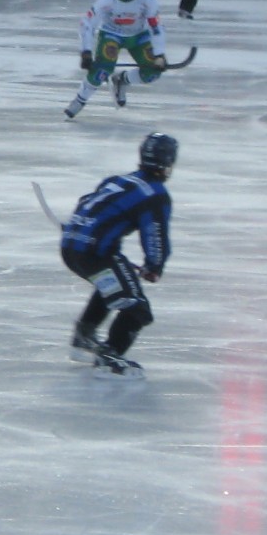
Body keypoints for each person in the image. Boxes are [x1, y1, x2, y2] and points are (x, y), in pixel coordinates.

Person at [61, 132, 178, 378]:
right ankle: (110, 357)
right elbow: (154, 236)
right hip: (95, 253)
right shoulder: (154, 194)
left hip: (72, 248)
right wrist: (154, 266)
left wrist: (75, 228)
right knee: (138, 309)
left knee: (112, 284)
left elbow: (87, 202)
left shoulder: (119, 180)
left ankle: (84, 337)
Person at [65, 0, 168, 118]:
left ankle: (122, 80)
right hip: (112, 34)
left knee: (152, 73)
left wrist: (159, 54)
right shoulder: (107, 1)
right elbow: (87, 23)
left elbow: (156, 26)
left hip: (139, 36)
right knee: (101, 70)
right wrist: (86, 51)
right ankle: (80, 99)